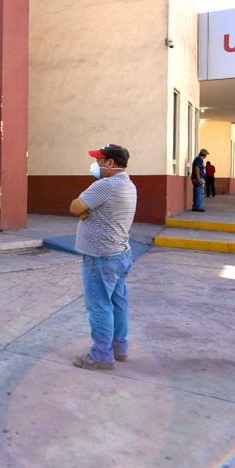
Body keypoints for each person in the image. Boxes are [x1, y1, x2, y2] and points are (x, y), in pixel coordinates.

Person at [69, 144, 138, 371]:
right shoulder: (128, 184)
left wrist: (83, 210)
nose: (95, 164)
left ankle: (101, 355)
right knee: (118, 302)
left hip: (100, 257)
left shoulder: (105, 185)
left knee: (99, 305)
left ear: (110, 163)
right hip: (120, 254)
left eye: (99, 160)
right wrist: (86, 210)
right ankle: (119, 348)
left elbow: (75, 206)